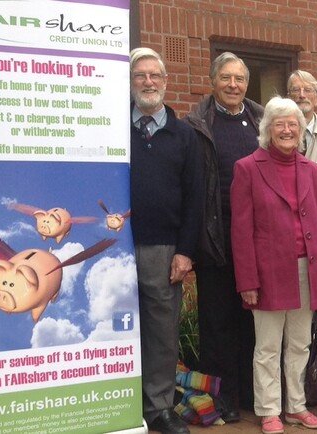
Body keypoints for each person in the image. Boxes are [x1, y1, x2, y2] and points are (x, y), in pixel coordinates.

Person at [230, 97, 317, 434]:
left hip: (307, 269)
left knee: (300, 343)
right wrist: (248, 280)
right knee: (268, 346)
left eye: (293, 124)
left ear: (301, 130)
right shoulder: (247, 167)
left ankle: (296, 406)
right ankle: (269, 409)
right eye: (280, 124)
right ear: (268, 130)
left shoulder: (311, 169)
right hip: (268, 273)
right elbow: (241, 231)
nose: (287, 130)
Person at [184, 51, 263, 422]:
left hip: (257, 240)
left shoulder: (262, 118)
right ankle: (222, 397)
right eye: (226, 78)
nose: (233, 85)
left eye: (240, 79)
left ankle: (250, 392)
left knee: (253, 318)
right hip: (215, 237)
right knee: (217, 323)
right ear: (213, 81)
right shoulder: (198, 122)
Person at [129, 47, 203, 434]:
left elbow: (195, 198)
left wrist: (186, 252)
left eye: (154, 75)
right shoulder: (112, 131)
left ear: (165, 82)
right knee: (117, 325)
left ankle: (158, 407)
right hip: (115, 246)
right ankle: (122, 403)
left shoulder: (183, 135)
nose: (148, 82)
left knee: (161, 331)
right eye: (140, 75)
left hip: (163, 249)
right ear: (131, 82)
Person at [287, 70, 317, 162]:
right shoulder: (279, 133)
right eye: (296, 90)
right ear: (289, 98)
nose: (302, 95)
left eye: (308, 90)